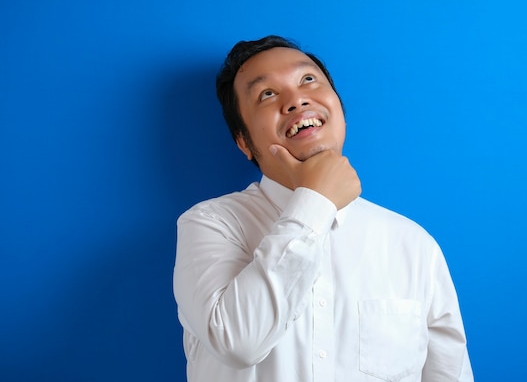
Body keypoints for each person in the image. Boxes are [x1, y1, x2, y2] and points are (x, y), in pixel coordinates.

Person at [173, 35, 473, 382]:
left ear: (339, 107)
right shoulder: (210, 224)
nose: (296, 99)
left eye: (308, 80)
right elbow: (238, 343)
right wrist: (317, 201)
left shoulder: (414, 245)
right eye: (267, 94)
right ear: (244, 142)